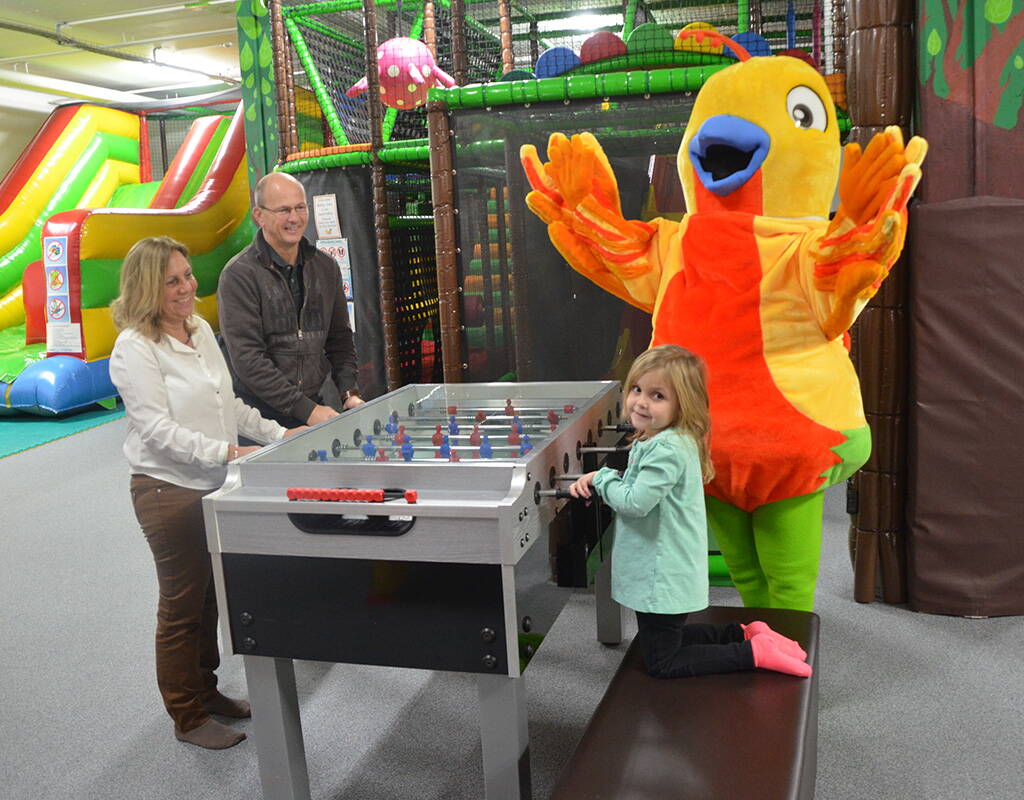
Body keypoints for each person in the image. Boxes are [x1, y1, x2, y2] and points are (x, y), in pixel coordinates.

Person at [109, 237, 307, 749]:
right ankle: (187, 717)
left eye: (188, 275)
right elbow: (157, 430)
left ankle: (207, 691)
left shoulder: (198, 329)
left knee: (211, 598)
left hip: (214, 484)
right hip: (166, 491)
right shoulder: (134, 347)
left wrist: (279, 435)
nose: (186, 287)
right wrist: (228, 453)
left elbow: (230, 406)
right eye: (172, 281)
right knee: (180, 605)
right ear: (148, 287)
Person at [570, 345, 812, 679]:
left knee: (661, 662)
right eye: (637, 389)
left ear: (683, 406)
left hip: (662, 572)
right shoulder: (663, 438)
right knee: (666, 637)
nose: (641, 401)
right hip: (665, 566)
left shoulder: (666, 449)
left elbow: (635, 503)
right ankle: (745, 633)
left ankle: (753, 652)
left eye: (657, 396)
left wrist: (602, 477)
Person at [217, 171, 363, 439]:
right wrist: (307, 410)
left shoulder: (326, 267)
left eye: (299, 207)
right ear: (258, 215)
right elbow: (248, 360)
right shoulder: (238, 276)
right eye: (283, 210)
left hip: (310, 408)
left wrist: (349, 393)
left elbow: (340, 339)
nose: (294, 218)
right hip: (258, 420)